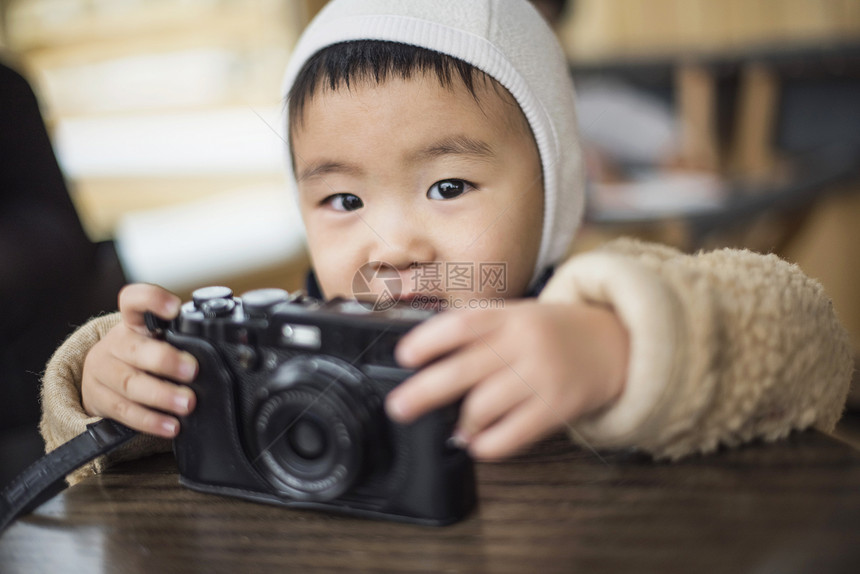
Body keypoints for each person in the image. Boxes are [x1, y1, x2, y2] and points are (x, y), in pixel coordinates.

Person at [40, 0, 852, 483]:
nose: (393, 245)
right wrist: (118, 388)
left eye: (449, 187)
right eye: (345, 198)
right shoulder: (287, 340)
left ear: (555, 190)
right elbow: (96, 460)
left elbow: (810, 344)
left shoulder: (599, 299)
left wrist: (618, 349)